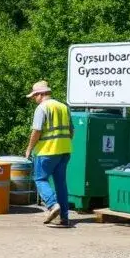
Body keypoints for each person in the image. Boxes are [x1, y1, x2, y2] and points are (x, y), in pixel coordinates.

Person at [23, 80, 73, 227]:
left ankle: (52, 205)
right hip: (64, 150)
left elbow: (36, 131)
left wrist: (29, 149)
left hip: (46, 151)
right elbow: (71, 130)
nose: (33, 99)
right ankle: (64, 218)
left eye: (34, 96)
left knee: (40, 179)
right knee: (61, 184)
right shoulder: (64, 107)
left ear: (41, 94)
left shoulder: (42, 108)